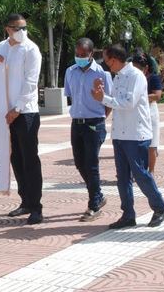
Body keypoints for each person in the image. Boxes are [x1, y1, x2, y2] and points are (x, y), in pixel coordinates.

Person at [92, 44, 164, 229]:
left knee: (141, 174)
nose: (107, 65)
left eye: (107, 60)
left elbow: (128, 103)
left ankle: (160, 207)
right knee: (123, 177)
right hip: (120, 134)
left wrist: (103, 98)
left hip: (136, 134)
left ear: (116, 59)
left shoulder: (136, 76)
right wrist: (100, 95)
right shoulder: (118, 77)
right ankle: (128, 214)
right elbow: (117, 103)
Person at [0, 13, 43, 225]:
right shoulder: (2, 46)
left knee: (30, 159)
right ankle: (26, 201)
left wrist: (17, 109)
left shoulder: (31, 49)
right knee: (16, 159)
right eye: (17, 28)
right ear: (8, 29)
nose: (22, 32)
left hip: (25, 112)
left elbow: (31, 83)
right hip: (5, 112)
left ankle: (36, 207)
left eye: (24, 28)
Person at [64, 37, 112, 222]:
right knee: (79, 163)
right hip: (76, 123)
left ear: (91, 54)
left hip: (94, 123)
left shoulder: (102, 73)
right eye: (77, 54)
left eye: (83, 55)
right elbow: (70, 95)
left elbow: (109, 102)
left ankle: (93, 205)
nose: (80, 57)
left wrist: (99, 119)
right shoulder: (70, 71)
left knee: (91, 165)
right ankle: (98, 195)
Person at [131, 51, 163, 173]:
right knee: (137, 144)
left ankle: (151, 171)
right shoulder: (132, 78)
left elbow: (157, 95)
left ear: (146, 68)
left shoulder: (153, 78)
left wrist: (139, 97)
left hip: (150, 112)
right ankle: (138, 170)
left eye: (138, 68)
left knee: (152, 144)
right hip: (136, 113)